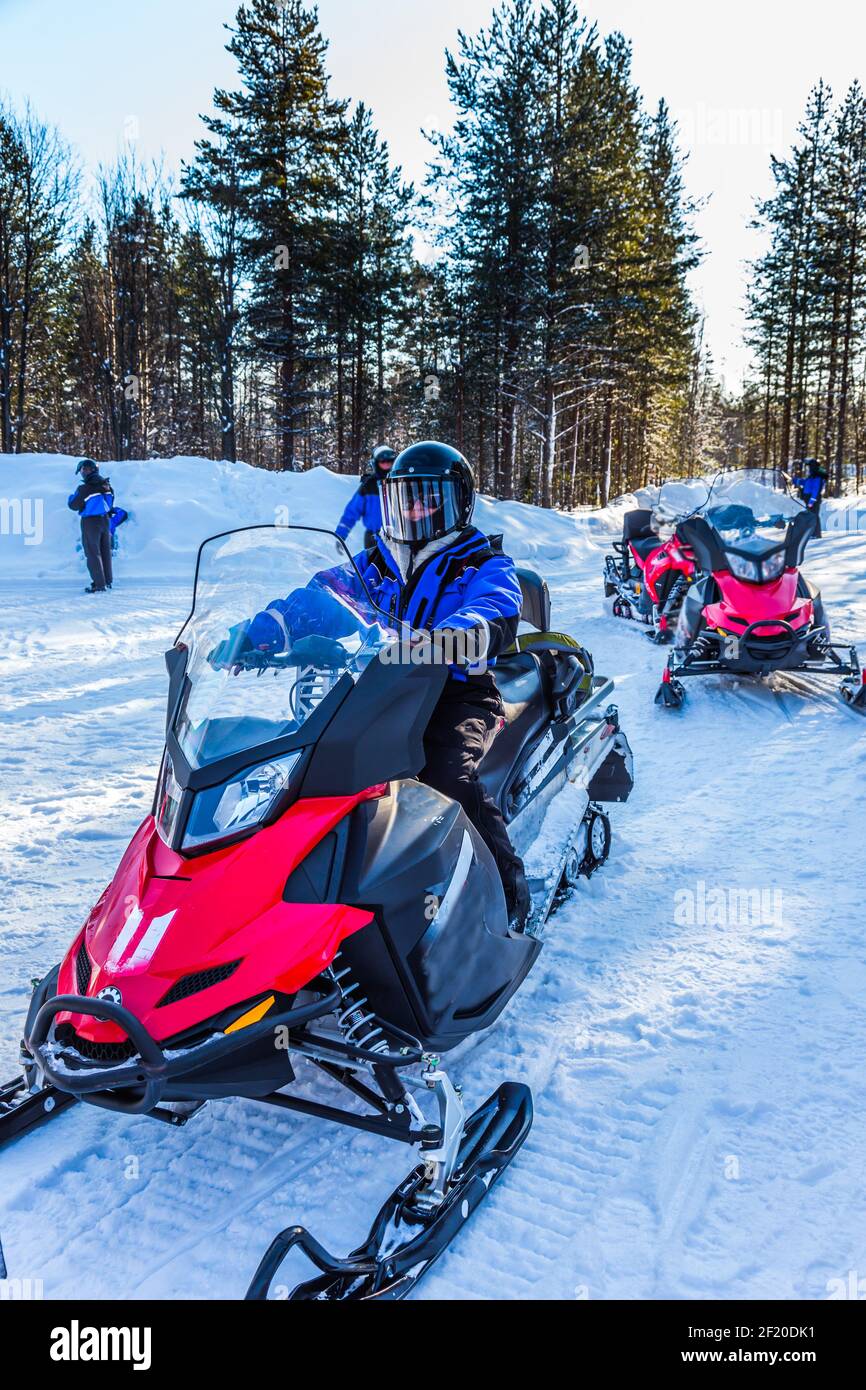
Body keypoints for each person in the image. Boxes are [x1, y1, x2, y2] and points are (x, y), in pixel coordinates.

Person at [213, 441, 531, 930]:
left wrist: (451, 637)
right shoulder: (375, 560)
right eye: (405, 498)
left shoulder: (480, 561)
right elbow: (318, 599)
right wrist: (260, 631)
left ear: (458, 502)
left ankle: (506, 894)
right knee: (308, 772)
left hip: (455, 692)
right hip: (379, 688)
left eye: (429, 498)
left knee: (446, 775)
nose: (415, 509)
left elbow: (495, 610)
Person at [335, 445, 397, 548]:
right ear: (376, 463)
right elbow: (352, 511)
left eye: (389, 461)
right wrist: (341, 535)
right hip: (373, 538)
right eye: (383, 462)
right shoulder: (368, 486)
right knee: (372, 563)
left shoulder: (400, 482)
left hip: (398, 537)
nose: (386, 464)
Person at [67, 459, 114, 593]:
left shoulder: (84, 488)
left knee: (93, 553)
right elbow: (111, 502)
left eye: (84, 470)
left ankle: (99, 584)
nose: (83, 473)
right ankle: (108, 581)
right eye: (82, 470)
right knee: (105, 551)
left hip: (90, 522)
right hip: (105, 520)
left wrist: (71, 497)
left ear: (90, 470)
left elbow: (73, 505)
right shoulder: (106, 485)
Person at [792, 458, 826, 536]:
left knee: (814, 516)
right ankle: (812, 533)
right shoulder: (812, 476)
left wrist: (811, 501)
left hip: (813, 499)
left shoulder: (817, 476)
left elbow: (816, 490)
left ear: (813, 466)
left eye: (810, 466)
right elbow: (806, 483)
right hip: (809, 498)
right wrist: (795, 480)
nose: (808, 468)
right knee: (811, 515)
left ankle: (816, 534)